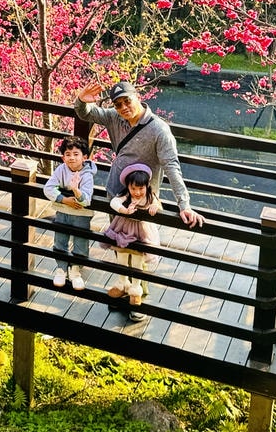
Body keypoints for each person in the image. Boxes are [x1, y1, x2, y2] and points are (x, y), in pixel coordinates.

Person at [74, 80, 205, 229]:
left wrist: (184, 205)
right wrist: (81, 100)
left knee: (142, 246)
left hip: (141, 199)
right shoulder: (114, 117)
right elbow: (86, 113)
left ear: (137, 96)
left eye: (127, 101)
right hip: (115, 193)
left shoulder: (159, 130)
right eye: (118, 104)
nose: (123, 107)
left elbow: (171, 166)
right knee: (117, 241)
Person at [102, 163, 162, 320]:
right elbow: (114, 202)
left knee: (137, 260)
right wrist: (124, 210)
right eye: (133, 188)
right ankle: (122, 284)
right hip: (123, 228)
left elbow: (157, 204)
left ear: (146, 186)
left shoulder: (149, 196)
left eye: (140, 188)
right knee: (121, 256)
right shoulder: (126, 196)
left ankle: (135, 290)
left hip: (141, 232)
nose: (137, 192)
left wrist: (154, 206)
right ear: (128, 187)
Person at [42, 135, 97, 291]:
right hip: (62, 211)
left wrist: (75, 190)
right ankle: (61, 268)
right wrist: (64, 199)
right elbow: (48, 188)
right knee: (60, 238)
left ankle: (75, 270)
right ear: (63, 157)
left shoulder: (87, 174)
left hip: (81, 215)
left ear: (84, 157)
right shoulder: (61, 170)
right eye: (68, 154)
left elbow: (86, 200)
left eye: (76, 154)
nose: (72, 158)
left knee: (80, 241)